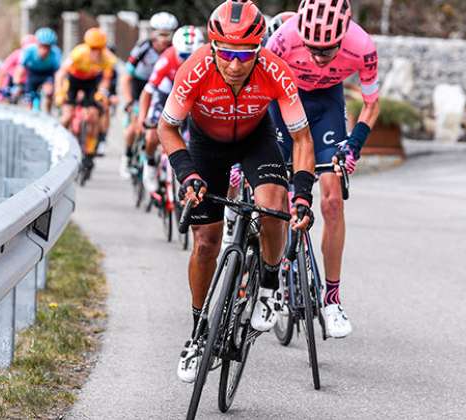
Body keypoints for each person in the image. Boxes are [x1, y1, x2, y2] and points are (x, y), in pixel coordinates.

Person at [157, 0, 316, 383]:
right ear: (213, 47)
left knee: (271, 205)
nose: (234, 63)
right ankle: (198, 333)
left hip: (254, 140)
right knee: (206, 242)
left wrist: (304, 194)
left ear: (259, 49)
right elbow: (167, 128)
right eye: (226, 52)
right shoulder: (194, 69)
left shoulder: (275, 71)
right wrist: (187, 175)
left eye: (245, 54)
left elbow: (302, 138)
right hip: (206, 145)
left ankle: (269, 285)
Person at [266, 0, 381, 338]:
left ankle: (332, 299)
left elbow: (372, 102)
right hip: (284, 100)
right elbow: (257, 89)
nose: (317, 57)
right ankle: (269, 281)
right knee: (275, 195)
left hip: (326, 105)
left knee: (332, 200)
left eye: (327, 49)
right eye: (312, 47)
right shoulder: (283, 40)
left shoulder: (363, 46)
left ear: (343, 36)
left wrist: (354, 145)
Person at [137, 25, 205, 193]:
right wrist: (142, 119)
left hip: (192, 97)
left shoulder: (208, 60)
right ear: (174, 50)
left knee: (193, 141)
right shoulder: (166, 59)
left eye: (192, 56)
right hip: (167, 93)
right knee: (152, 135)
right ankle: (150, 164)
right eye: (183, 56)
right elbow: (148, 91)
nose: (188, 60)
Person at [119, 12, 179, 178]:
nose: (165, 39)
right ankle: (127, 155)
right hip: (140, 86)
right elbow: (126, 76)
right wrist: (130, 101)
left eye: (169, 35)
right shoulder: (142, 48)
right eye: (161, 34)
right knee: (134, 125)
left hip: (162, 88)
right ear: (153, 33)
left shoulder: (175, 50)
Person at [55, 27, 116, 148]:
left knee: (93, 115)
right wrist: (59, 92)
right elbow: (60, 73)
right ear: (87, 46)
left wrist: (102, 92)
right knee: (67, 116)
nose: (96, 53)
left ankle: (90, 150)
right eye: (93, 49)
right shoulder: (79, 53)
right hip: (73, 81)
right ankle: (56, 141)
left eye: (99, 49)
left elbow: (106, 78)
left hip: (90, 82)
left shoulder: (108, 58)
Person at [20, 27, 61, 112]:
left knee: (49, 91)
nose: (44, 50)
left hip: (47, 74)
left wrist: (58, 89)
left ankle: (47, 112)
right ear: (37, 44)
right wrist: (17, 83)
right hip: (32, 74)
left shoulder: (55, 53)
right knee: (29, 99)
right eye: (42, 46)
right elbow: (21, 68)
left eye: (47, 47)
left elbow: (58, 73)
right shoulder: (29, 50)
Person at [0, 34, 37, 102]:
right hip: (15, 80)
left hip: (29, 80)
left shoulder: (36, 56)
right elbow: (4, 68)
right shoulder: (17, 54)